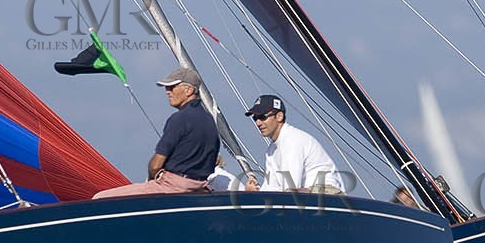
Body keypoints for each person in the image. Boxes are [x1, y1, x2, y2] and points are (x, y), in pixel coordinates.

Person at [93, 67, 220, 198]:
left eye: (172, 87)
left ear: (188, 90)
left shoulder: (179, 119)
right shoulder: (209, 121)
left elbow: (156, 165)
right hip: (199, 188)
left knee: (99, 198)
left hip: (172, 187)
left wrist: (152, 181)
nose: (167, 92)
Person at [240, 94, 349, 193]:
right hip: (306, 195)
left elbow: (290, 186)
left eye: (263, 117)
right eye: (255, 118)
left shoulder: (292, 140)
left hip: (328, 193)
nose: (258, 123)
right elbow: (271, 187)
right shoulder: (271, 151)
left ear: (279, 116)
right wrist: (254, 194)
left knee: (290, 193)